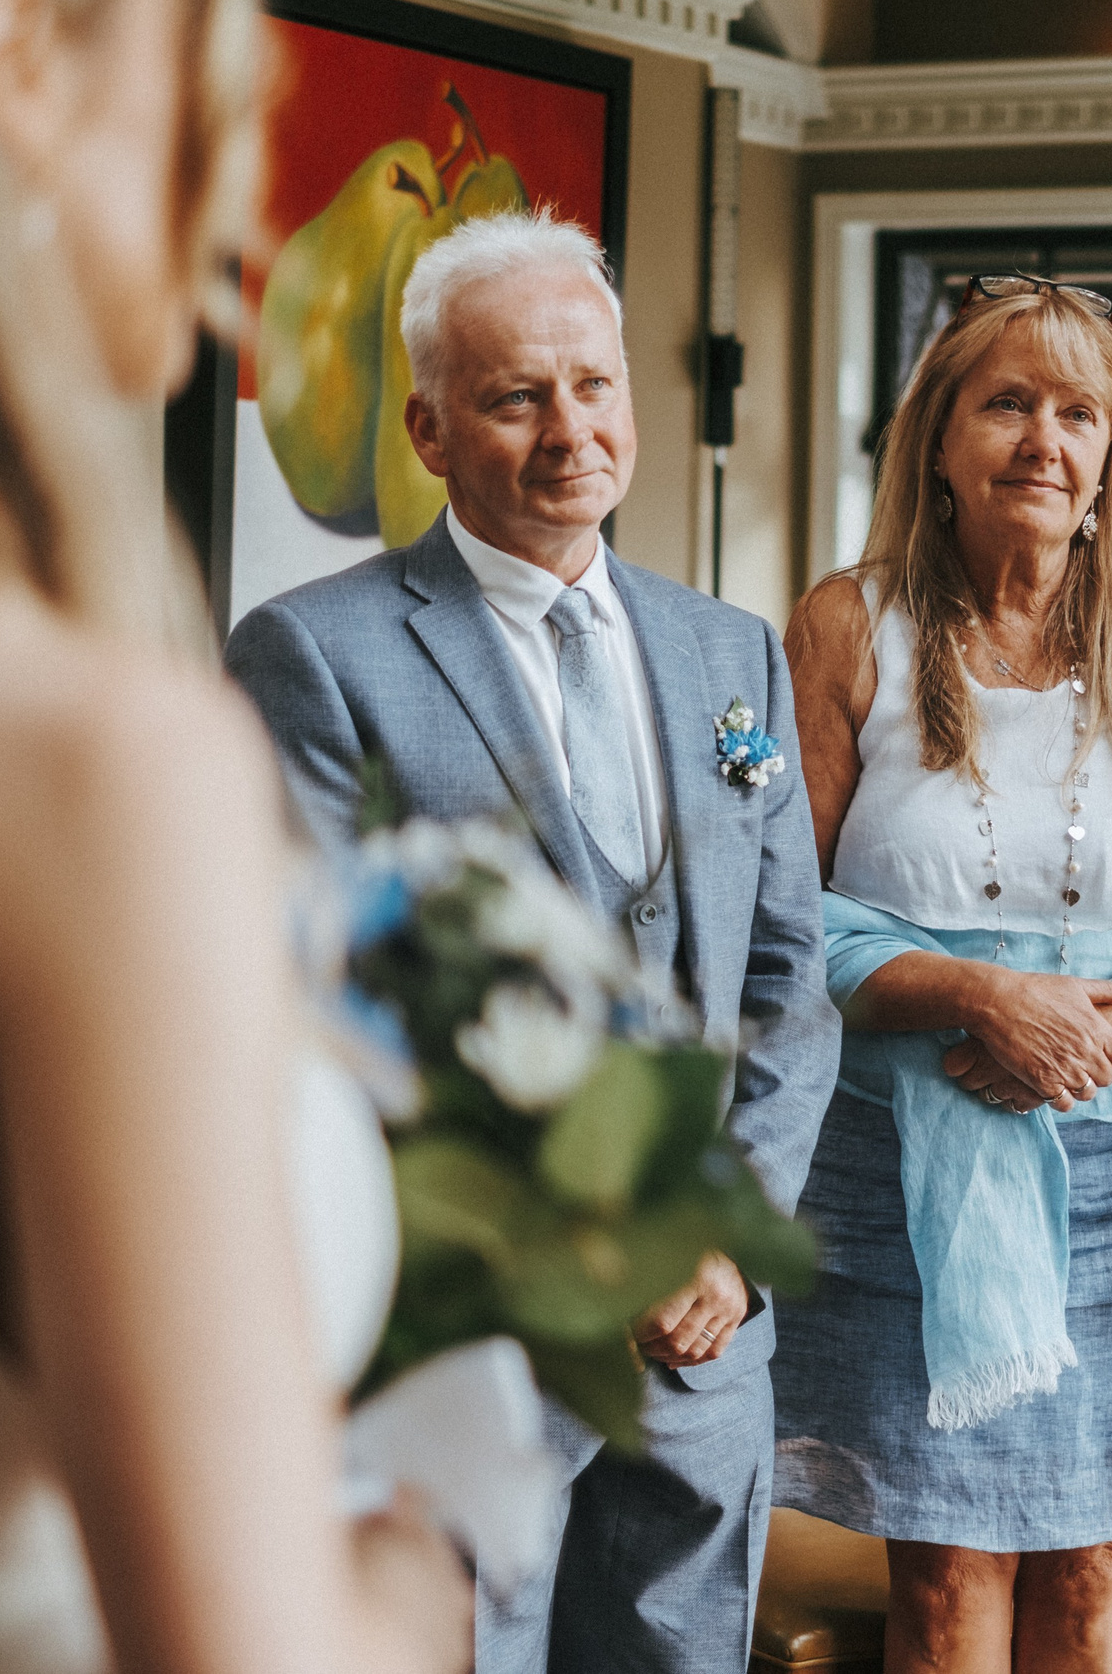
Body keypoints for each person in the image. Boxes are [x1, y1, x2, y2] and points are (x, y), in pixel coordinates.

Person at [0, 0, 476, 1669]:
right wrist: (419, 1601)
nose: (248, 227)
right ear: (21, 43)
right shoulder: (90, 771)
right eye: (232, 101)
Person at [224, 210, 839, 1674]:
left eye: (595, 386)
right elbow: (322, 1007)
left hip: (704, 1348)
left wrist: (725, 1243)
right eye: (517, 397)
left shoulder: (730, 653)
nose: (572, 431)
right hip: (472, 1360)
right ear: (431, 431)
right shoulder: (315, 653)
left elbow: (788, 983)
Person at [773, 276, 1112, 1673]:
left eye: (1081, 413)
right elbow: (783, 921)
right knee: (946, 1581)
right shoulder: (848, 627)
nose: (1044, 439)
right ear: (938, 440)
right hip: (905, 1178)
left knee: (1091, 1573)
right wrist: (979, 996)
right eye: (1006, 402)